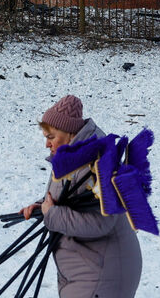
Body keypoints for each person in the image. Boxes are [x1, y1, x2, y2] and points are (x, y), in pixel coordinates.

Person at [20, 94, 142, 298]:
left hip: (102, 273)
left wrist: (53, 215)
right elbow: (70, 199)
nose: (47, 145)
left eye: (51, 137)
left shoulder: (94, 164)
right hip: (88, 268)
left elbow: (101, 222)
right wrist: (41, 208)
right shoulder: (72, 159)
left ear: (69, 133)